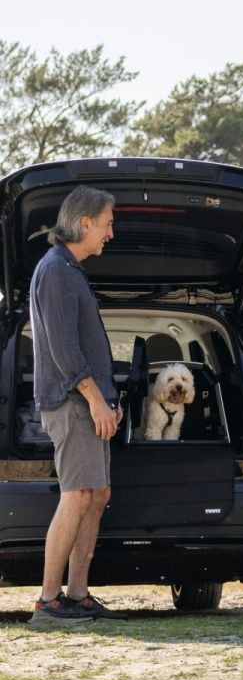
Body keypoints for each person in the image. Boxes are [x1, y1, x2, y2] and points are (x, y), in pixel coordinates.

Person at [28, 186, 124, 625]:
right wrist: (95, 401)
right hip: (72, 404)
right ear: (85, 223)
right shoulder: (56, 272)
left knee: (97, 494)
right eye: (107, 222)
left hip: (88, 403)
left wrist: (108, 401)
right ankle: (49, 602)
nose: (111, 232)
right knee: (78, 495)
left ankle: (78, 595)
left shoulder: (70, 270)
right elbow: (65, 350)